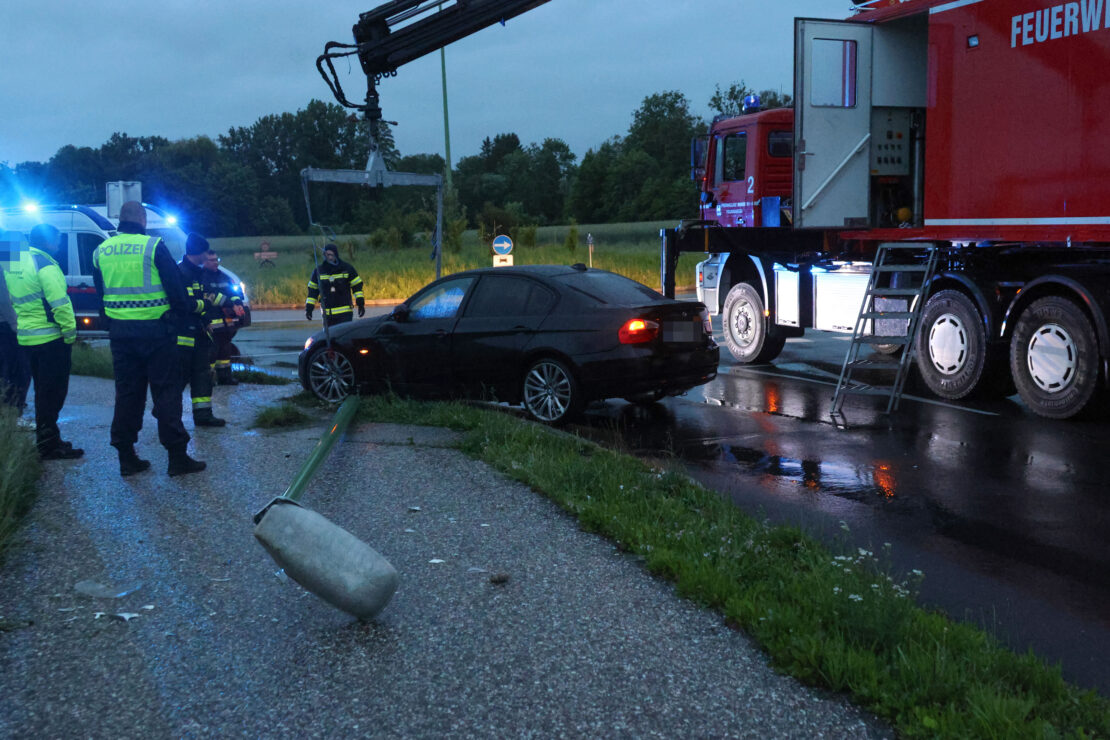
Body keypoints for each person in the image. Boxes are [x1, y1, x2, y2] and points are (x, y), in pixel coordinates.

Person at [92, 201, 205, 477]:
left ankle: (126, 458)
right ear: (142, 220)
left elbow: (101, 294)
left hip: (121, 335)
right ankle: (177, 458)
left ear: (121, 221)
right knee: (166, 393)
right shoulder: (153, 246)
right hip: (157, 334)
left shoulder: (100, 251)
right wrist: (183, 317)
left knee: (127, 394)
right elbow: (176, 291)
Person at [3, 224, 82, 459]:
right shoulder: (45, 265)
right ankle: (48, 445)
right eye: (57, 241)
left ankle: (50, 439)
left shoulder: (16, 263)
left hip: (27, 338)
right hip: (51, 339)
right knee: (53, 393)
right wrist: (70, 335)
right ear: (48, 242)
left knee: (42, 392)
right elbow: (60, 304)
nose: (59, 246)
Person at [177, 233, 226, 427]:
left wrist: (206, 320)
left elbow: (201, 302)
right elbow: (183, 304)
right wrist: (203, 304)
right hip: (183, 335)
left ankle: (203, 415)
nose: (207, 256)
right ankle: (165, 410)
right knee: (180, 376)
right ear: (197, 252)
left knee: (202, 375)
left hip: (198, 332)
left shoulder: (196, 273)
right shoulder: (181, 273)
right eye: (205, 252)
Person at [201, 249, 245, 386]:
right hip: (211, 322)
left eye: (216, 260)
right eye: (212, 260)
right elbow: (211, 296)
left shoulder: (224, 277)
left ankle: (225, 378)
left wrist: (237, 303)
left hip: (226, 323)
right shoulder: (202, 277)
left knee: (225, 352)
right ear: (204, 261)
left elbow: (234, 292)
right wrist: (231, 304)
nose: (215, 263)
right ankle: (208, 380)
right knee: (211, 352)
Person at [0, 233, 31, 415]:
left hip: (6, 324)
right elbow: (4, 300)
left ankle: (12, 405)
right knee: (18, 369)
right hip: (6, 325)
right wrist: (15, 325)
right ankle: (13, 407)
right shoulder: (4, 268)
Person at [305, 243, 365, 328]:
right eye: (327, 255)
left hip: (345, 314)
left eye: (331, 255)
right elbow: (312, 291)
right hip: (328, 315)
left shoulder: (346, 268)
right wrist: (309, 308)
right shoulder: (319, 271)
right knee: (330, 339)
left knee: (343, 339)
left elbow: (357, 286)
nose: (329, 257)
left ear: (336, 255)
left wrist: (360, 303)